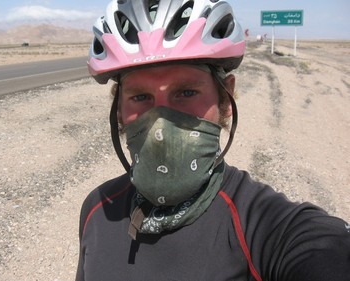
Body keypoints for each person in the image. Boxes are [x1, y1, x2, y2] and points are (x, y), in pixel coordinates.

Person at [76, 1, 350, 280]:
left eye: (186, 92)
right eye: (140, 97)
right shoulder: (97, 211)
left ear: (225, 99)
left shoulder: (261, 225)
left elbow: (322, 249)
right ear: (119, 111)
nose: (160, 124)